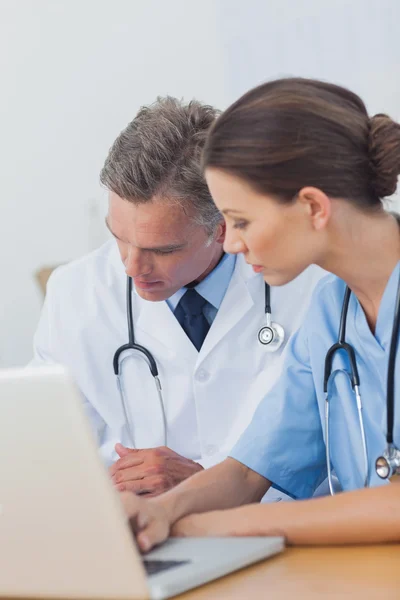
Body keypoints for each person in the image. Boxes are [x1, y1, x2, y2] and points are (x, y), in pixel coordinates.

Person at [120, 78, 400, 549]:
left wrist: (206, 528)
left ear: (313, 206)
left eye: (242, 220)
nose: (229, 242)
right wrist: (159, 513)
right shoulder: (332, 312)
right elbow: (252, 469)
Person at [31, 96, 323, 498]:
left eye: (163, 250)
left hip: (283, 532)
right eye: (118, 238)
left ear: (222, 226)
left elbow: (333, 458)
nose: (132, 267)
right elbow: (46, 454)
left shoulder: (309, 284)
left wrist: (206, 485)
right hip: (144, 538)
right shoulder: (74, 294)